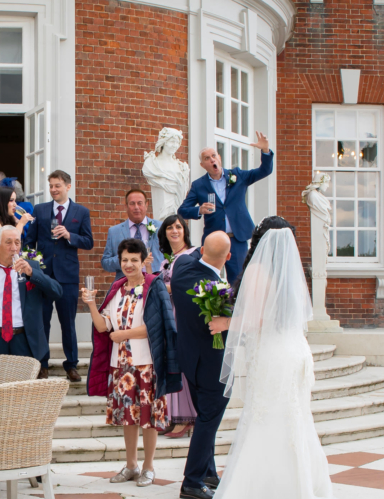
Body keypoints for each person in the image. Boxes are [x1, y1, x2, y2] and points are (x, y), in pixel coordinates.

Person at [204, 217, 362, 499]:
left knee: (267, 422)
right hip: (295, 351)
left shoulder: (260, 271)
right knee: (292, 422)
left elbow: (258, 318)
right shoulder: (290, 273)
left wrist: (225, 323)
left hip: (275, 357)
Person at [83, 238, 180, 487]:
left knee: (148, 418)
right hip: (121, 365)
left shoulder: (154, 286)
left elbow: (156, 327)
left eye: (134, 260)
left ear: (143, 261)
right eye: (124, 259)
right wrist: (92, 304)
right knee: (128, 417)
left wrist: (123, 335)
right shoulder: (117, 288)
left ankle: (148, 467)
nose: (128, 264)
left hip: (146, 364)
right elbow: (104, 326)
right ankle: (131, 465)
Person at [169, 231, 232, 499]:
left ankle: (208, 473)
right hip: (210, 363)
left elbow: (193, 254)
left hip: (189, 359)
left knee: (204, 417)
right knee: (208, 420)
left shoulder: (182, 266)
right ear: (228, 257)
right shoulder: (216, 289)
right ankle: (192, 481)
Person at [24, 170, 94, 381]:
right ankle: (42, 364)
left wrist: (69, 235)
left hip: (68, 275)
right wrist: (35, 265)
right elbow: (29, 242)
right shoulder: (41, 209)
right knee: (42, 321)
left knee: (67, 322)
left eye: (58, 186)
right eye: (51, 186)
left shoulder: (81, 212)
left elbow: (88, 242)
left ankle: (71, 365)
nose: (54, 189)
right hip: (43, 276)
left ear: (68, 186)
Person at [178, 132, 273, 284]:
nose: (212, 160)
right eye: (207, 158)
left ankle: (235, 308)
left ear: (219, 158)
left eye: (214, 155)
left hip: (237, 238)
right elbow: (182, 211)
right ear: (203, 165)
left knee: (238, 281)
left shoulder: (237, 176)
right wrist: (199, 210)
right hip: (213, 241)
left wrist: (265, 151)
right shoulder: (199, 185)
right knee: (208, 280)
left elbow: (264, 171)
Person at [0, 225, 61, 362]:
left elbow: (57, 292)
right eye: (8, 242)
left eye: (17, 242)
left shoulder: (32, 268)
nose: (14, 247)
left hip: (25, 341)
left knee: (23, 384)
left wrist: (32, 273)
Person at [157, 215, 197, 438]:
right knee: (170, 363)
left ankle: (187, 418)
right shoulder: (167, 260)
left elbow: (185, 285)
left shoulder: (191, 255)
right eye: (170, 227)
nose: (174, 231)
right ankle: (172, 416)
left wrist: (160, 288)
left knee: (181, 364)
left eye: (178, 227)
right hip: (167, 314)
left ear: (184, 231)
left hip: (181, 315)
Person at [101, 189, 163, 280]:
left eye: (140, 203)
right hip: (126, 285)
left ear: (146, 204)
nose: (136, 207)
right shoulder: (114, 231)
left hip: (154, 283)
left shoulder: (161, 227)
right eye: (132, 203)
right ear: (126, 206)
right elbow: (105, 263)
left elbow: (170, 255)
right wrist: (125, 258)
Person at [0, 186, 34, 262]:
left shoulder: (9, 219)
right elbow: (8, 241)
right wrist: (21, 223)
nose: (15, 204)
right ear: (1, 202)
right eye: (11, 200)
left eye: (15, 200)